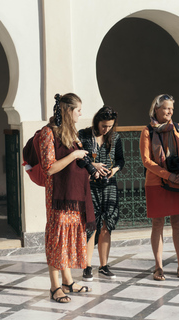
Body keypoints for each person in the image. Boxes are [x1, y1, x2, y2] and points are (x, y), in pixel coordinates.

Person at [39, 93, 96, 303]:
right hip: (58, 197)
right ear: (68, 110)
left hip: (74, 195)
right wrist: (74, 155)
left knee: (68, 238)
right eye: (78, 110)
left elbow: (77, 162)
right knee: (57, 238)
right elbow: (49, 167)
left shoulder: (72, 133)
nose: (81, 114)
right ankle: (54, 287)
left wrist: (93, 165)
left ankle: (68, 281)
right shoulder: (48, 133)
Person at [139, 94, 179, 281]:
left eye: (171, 109)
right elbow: (146, 160)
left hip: (178, 181)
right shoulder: (147, 131)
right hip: (156, 183)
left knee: (177, 223)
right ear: (156, 109)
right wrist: (167, 175)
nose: (169, 112)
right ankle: (158, 266)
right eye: (166, 108)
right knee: (157, 224)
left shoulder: (178, 129)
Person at [78, 106, 125, 281]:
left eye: (110, 126)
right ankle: (87, 266)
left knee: (107, 224)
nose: (106, 129)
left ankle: (104, 266)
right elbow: (79, 157)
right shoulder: (83, 135)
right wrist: (93, 165)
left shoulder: (115, 137)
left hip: (109, 185)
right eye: (104, 125)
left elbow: (121, 160)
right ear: (97, 121)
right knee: (91, 225)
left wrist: (114, 170)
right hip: (90, 185)